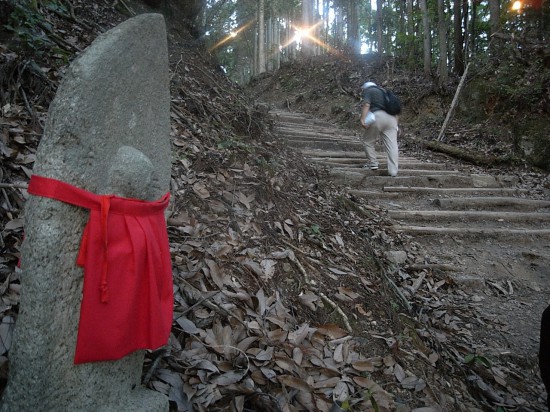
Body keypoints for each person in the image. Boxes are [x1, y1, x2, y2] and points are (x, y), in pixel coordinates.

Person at [359, 81, 399, 177]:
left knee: (368, 141)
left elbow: (367, 105)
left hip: (378, 116)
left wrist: (362, 119)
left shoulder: (369, 90)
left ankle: (373, 164)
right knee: (392, 145)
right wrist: (396, 124)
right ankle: (393, 171)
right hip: (392, 118)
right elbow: (396, 108)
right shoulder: (385, 92)